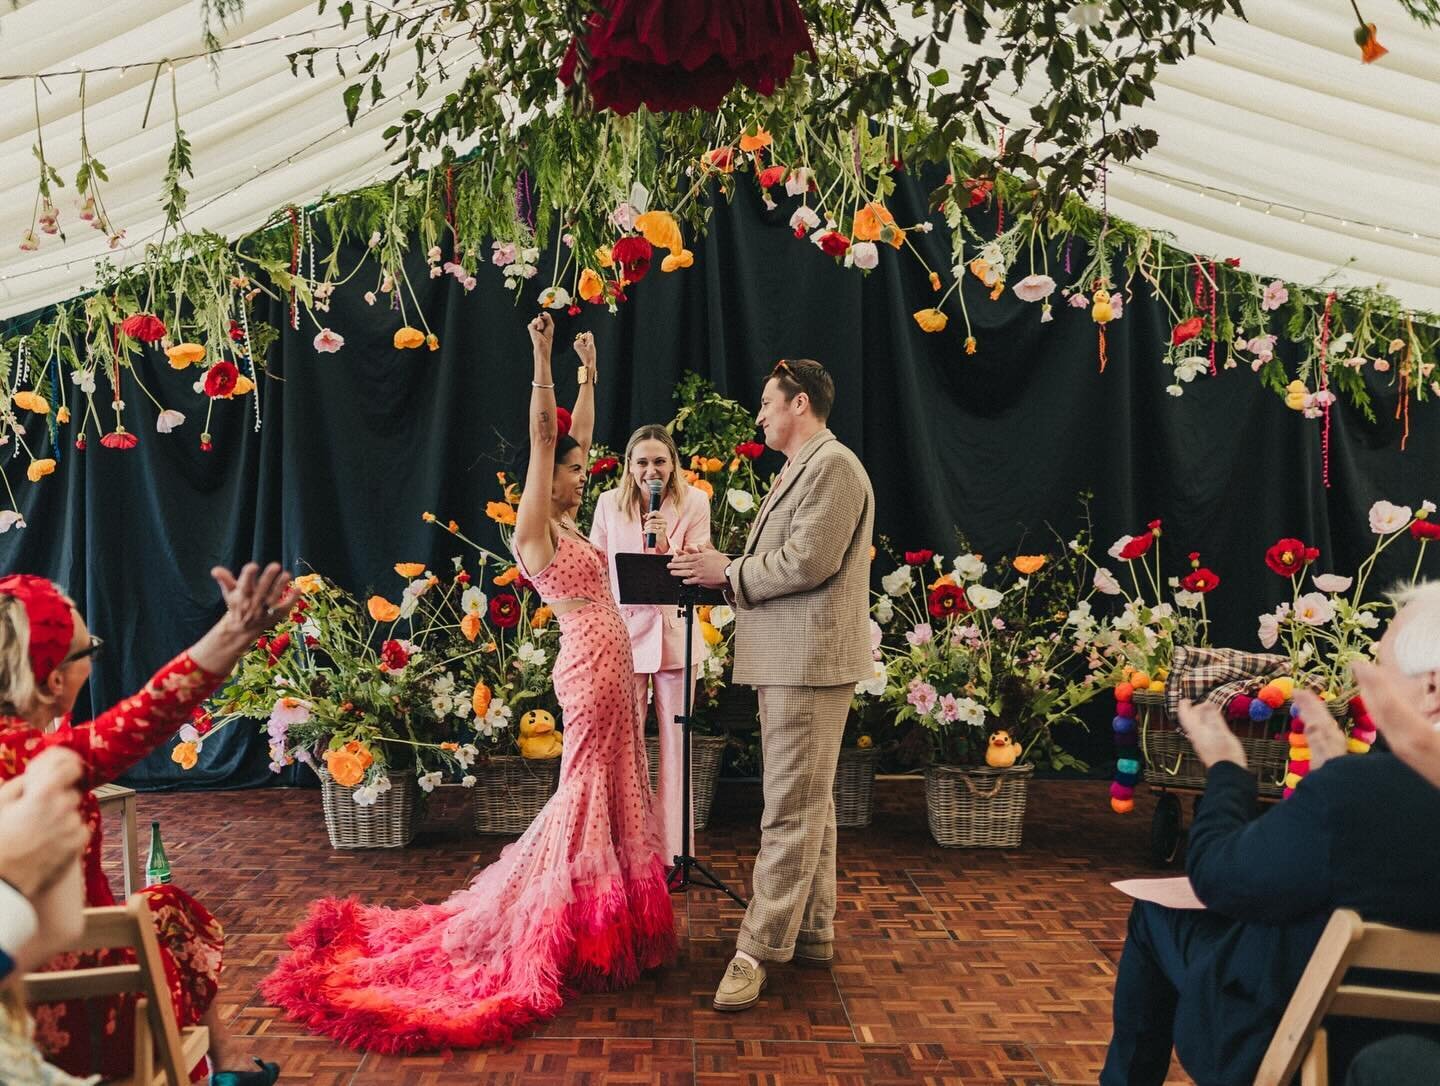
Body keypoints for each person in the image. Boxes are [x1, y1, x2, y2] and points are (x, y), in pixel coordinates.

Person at [264, 313, 674, 1053]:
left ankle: (603, 924)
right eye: (573, 472)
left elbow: (572, 436)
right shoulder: (535, 532)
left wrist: (591, 375)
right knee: (581, 791)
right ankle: (557, 917)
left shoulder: (572, 522)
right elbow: (548, 440)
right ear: (543, 479)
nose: (584, 476)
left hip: (617, 666)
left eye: (584, 470)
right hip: (589, 666)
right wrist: (543, 358)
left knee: (617, 783)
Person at [1100, 580, 1440, 1086]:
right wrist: (1333, 777)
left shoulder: (1359, 794)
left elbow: (1221, 878)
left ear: (1431, 687)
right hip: (1410, 1055)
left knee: (1155, 915)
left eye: (1379, 670)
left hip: (1301, 1041)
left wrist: (1226, 770)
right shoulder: (1360, 790)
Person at [0, 565, 297, 1085]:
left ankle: (223, 1062)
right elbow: (154, 709)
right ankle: (222, 1063)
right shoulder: (52, 761)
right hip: (89, 1019)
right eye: (87, 651)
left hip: (25, 989)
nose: (91, 661)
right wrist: (236, 630)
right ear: (52, 680)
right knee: (165, 910)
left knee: (161, 910)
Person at [670, 358, 874, 1012]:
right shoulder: (802, 467)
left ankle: (755, 950)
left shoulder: (834, 467)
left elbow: (807, 561)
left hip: (807, 663)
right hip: (792, 660)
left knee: (787, 807)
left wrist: (724, 569)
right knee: (810, 800)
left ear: (801, 403)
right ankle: (812, 932)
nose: (759, 416)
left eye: (766, 403)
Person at [590, 423, 710, 861]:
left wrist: (664, 544)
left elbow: (701, 564)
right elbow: (598, 569)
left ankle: (674, 857)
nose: (651, 470)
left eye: (660, 461)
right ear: (629, 466)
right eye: (642, 462)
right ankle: (627, 854)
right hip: (624, 640)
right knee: (625, 749)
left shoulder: (695, 502)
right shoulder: (607, 505)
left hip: (676, 637)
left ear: (673, 464)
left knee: (677, 749)